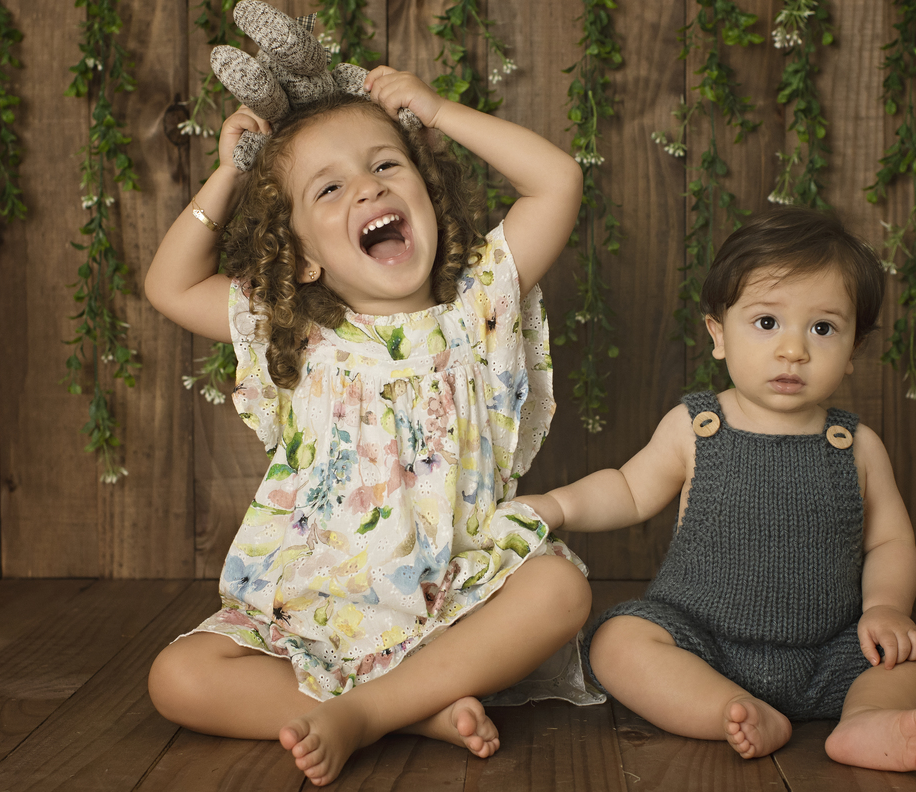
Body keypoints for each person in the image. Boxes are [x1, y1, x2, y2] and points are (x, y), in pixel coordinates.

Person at [144, 66, 589, 786]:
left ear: (427, 193)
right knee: (179, 676)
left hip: (454, 598)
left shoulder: (480, 306)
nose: (368, 187)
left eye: (386, 164)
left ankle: (366, 712)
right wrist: (230, 174)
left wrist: (439, 111)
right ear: (304, 259)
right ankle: (406, 710)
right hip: (315, 611)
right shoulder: (296, 331)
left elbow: (557, 181)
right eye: (329, 188)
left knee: (559, 590)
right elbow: (169, 285)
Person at [516, 206, 916, 772]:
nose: (794, 349)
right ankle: (726, 708)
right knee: (618, 641)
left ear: (854, 350)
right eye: (767, 323)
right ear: (718, 334)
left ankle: (864, 720)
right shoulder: (697, 427)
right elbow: (628, 489)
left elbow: (890, 543)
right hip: (701, 645)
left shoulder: (856, 445)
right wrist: (559, 505)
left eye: (823, 328)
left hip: (826, 652)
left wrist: (887, 610)